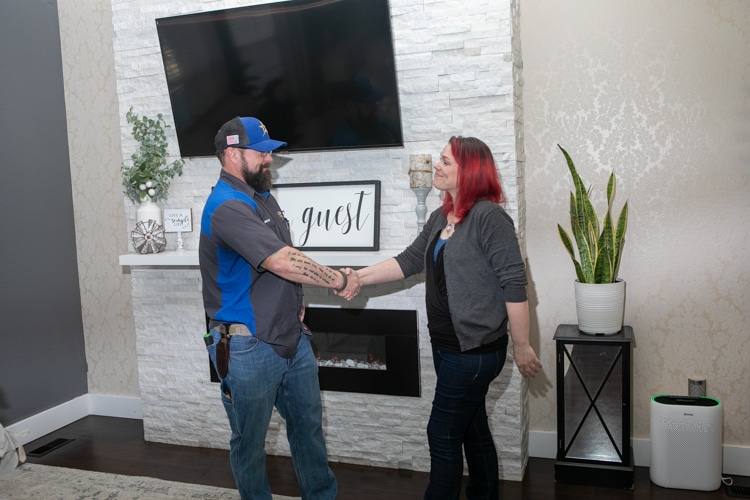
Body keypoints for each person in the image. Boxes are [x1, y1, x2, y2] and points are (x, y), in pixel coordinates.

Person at [342, 136, 542, 499]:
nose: (437, 165)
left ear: (469, 170)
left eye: (446, 161)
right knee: (472, 426)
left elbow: (514, 284)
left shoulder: (488, 216)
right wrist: (358, 276)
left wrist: (523, 345)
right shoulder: (442, 216)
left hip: (476, 352)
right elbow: (409, 260)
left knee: (442, 431)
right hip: (448, 347)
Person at [199, 116, 360, 500]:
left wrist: (299, 301)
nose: (269, 159)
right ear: (233, 154)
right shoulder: (226, 206)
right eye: (262, 153)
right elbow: (280, 260)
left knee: (308, 427)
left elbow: (289, 258)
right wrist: (339, 280)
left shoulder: (262, 198)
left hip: (290, 337)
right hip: (248, 347)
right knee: (249, 444)